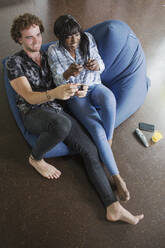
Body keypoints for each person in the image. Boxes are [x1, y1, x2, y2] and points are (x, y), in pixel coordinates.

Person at [6, 13, 144, 224]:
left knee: (90, 150)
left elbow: (69, 81)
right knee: (63, 123)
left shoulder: (48, 54)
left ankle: (112, 207)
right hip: (33, 112)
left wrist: (79, 89)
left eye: (37, 35)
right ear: (18, 39)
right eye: (29, 37)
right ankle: (35, 158)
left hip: (58, 107)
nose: (36, 41)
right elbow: (30, 97)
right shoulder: (13, 62)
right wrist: (56, 93)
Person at [48, 14, 130, 202]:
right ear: (60, 36)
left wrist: (96, 66)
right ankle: (117, 177)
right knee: (95, 129)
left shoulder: (88, 39)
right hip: (76, 94)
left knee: (109, 98)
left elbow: (101, 64)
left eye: (76, 34)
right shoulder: (53, 51)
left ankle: (108, 140)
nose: (74, 40)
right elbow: (57, 80)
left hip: (94, 86)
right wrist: (68, 74)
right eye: (68, 36)